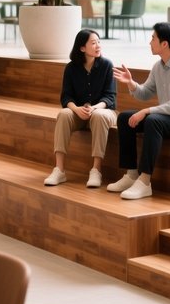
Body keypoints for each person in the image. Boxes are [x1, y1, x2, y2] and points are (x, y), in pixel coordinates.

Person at [110, 21, 170, 200]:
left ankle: (145, 182)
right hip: (168, 117)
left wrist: (146, 111)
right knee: (124, 118)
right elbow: (145, 93)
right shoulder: (158, 66)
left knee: (153, 120)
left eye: (153, 38)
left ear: (164, 44)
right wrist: (131, 83)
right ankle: (131, 175)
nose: (150, 42)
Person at [44, 29, 117, 189]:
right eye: (93, 42)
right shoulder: (71, 68)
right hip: (78, 112)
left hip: (103, 111)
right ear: (82, 48)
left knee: (99, 116)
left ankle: (96, 170)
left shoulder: (106, 65)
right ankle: (59, 170)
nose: (98, 45)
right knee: (63, 114)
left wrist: (94, 108)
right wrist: (76, 109)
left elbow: (110, 97)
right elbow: (66, 97)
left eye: (99, 42)